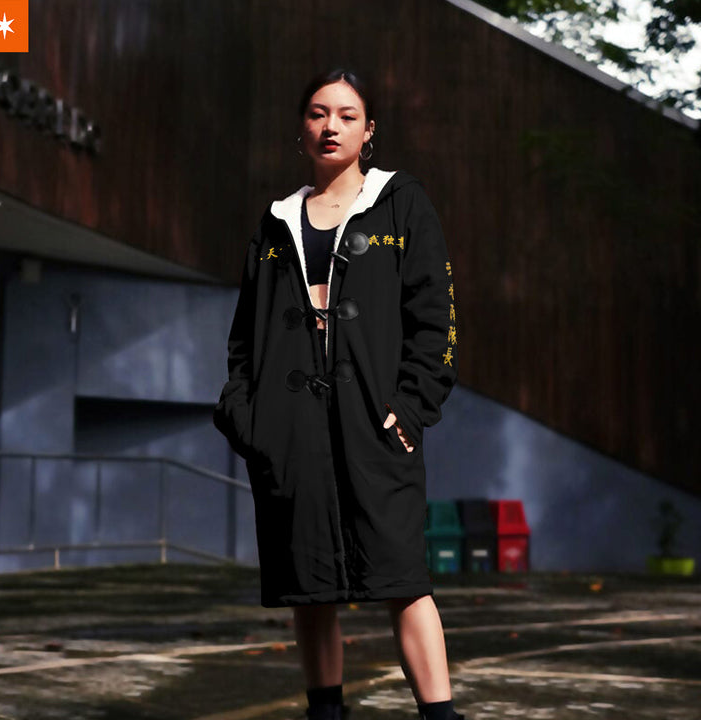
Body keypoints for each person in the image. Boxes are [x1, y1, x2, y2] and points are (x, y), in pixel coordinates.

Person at [213, 68, 464, 720]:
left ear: (368, 130)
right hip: (289, 430)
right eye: (318, 113)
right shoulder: (276, 222)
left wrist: (411, 409)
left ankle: (440, 715)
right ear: (301, 128)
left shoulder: (401, 203)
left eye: (348, 116)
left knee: (404, 578)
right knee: (310, 585)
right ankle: (325, 712)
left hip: (375, 424)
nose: (331, 126)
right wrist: (248, 419)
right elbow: (244, 338)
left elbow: (436, 317)